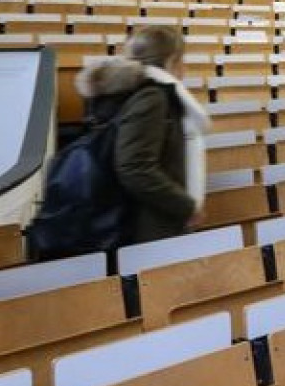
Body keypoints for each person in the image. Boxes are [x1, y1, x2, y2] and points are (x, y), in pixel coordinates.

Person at [75, 26, 209, 244]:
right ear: (171, 61)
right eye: (182, 60)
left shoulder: (143, 91)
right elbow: (134, 166)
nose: (185, 67)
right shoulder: (152, 97)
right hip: (146, 224)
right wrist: (186, 206)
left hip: (146, 218)